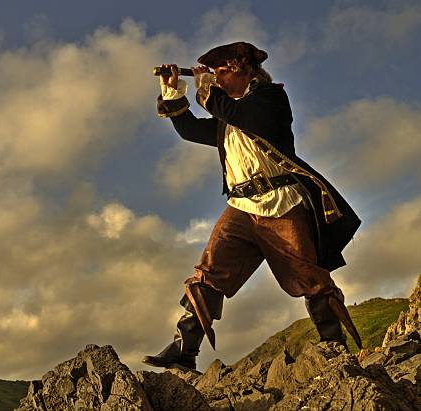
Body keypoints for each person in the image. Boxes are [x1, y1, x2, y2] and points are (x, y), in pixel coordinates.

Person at [142, 42, 362, 370]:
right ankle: (184, 349)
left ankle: (334, 345)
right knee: (209, 272)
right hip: (241, 206)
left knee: (310, 276)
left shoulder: (270, 99)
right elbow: (190, 129)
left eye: (223, 72)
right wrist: (173, 93)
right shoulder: (227, 114)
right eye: (215, 74)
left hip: (281, 202)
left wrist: (205, 89)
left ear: (246, 70)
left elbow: (242, 116)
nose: (217, 79)